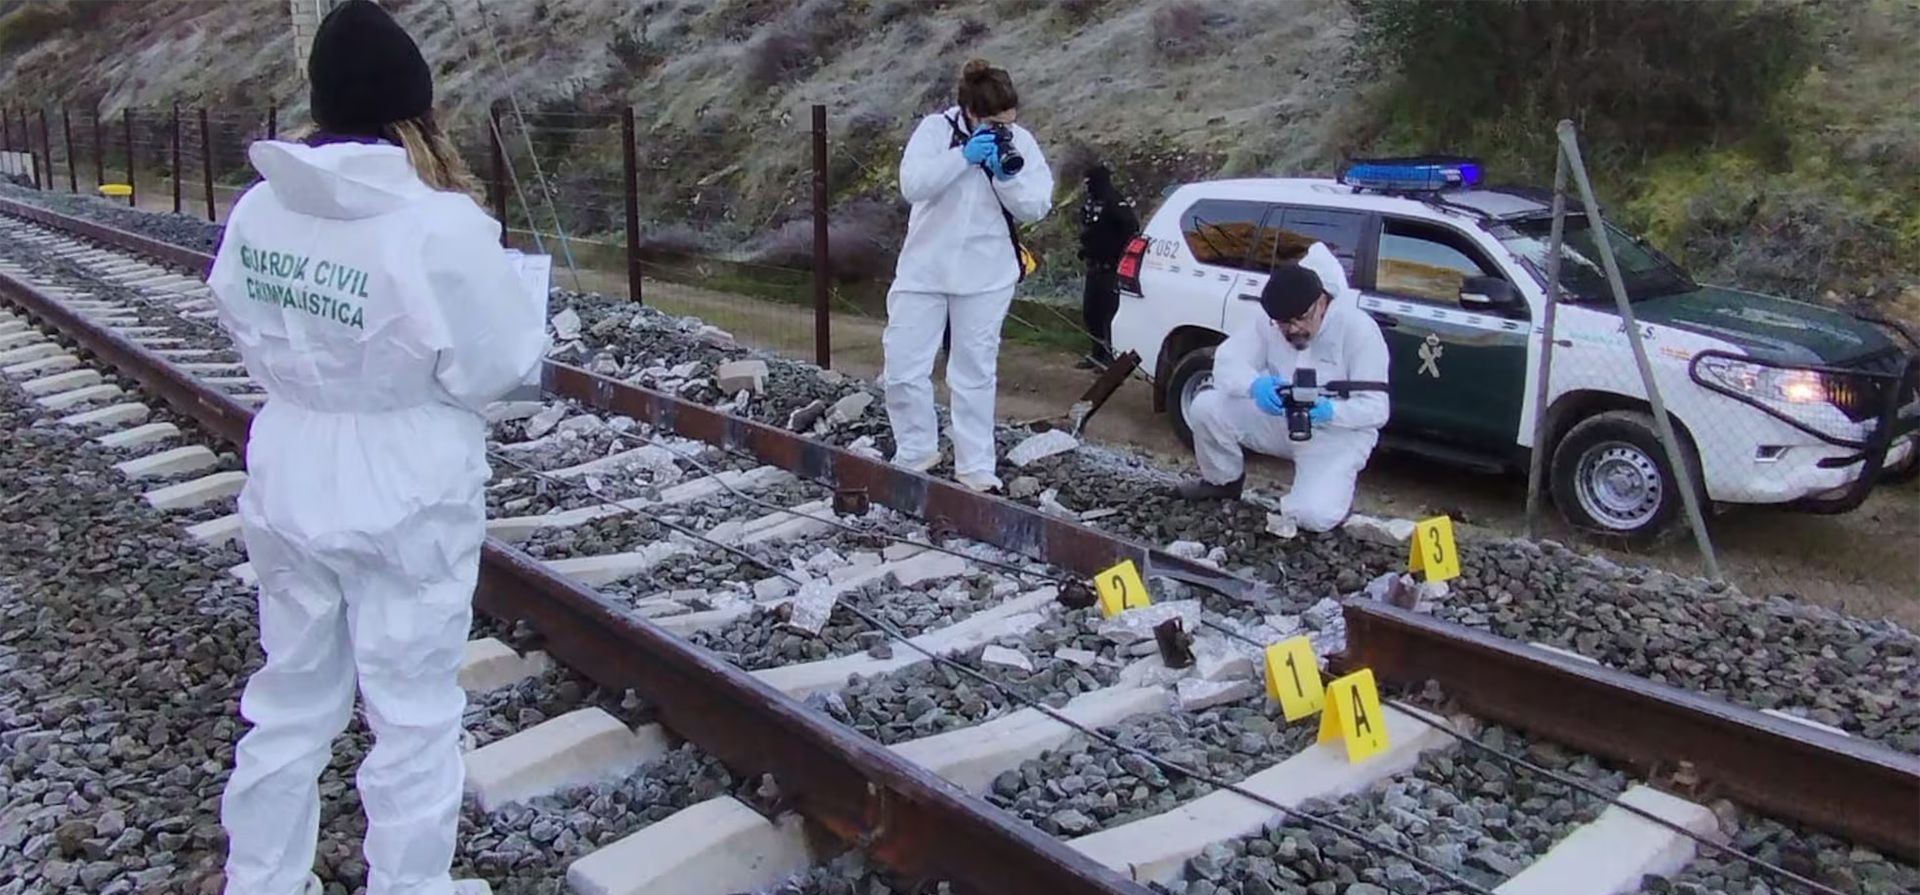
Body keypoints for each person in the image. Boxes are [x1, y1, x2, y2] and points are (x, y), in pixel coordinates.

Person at [204, 3, 546, 894]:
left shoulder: (258, 210)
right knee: (413, 710)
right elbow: (498, 363)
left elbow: (236, 314)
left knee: (289, 694)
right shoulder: (440, 226)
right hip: (406, 484)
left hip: (289, 463)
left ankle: (264, 878)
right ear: (415, 111)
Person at [882, 58, 1055, 493]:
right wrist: (963, 157)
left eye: (1010, 121)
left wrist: (1004, 175)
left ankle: (976, 466)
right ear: (971, 114)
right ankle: (916, 448)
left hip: (986, 274)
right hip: (924, 269)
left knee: (974, 372)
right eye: (995, 123)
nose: (1005, 129)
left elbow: (1035, 206)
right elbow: (913, 185)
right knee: (903, 366)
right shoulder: (934, 132)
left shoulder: (1021, 142)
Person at [1173, 243, 1389, 532]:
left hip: (1336, 435)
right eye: (1284, 323)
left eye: (1301, 319)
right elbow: (1227, 361)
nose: (1293, 329)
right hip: (1282, 420)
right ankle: (1222, 483)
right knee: (1205, 406)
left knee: (1310, 516)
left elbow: (1377, 409)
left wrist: (1329, 411)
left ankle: (1332, 494)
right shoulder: (1271, 323)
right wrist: (1254, 385)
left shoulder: (1358, 330)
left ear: (1322, 302)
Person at [1075, 163, 1138, 368]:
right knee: (1091, 313)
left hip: (1110, 268)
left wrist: (1116, 253)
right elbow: (1091, 229)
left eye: (1090, 182)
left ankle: (1111, 357)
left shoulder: (1114, 202)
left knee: (1108, 314)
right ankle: (1097, 354)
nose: (1087, 186)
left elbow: (1130, 229)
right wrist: (1088, 248)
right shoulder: (1093, 201)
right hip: (1094, 266)